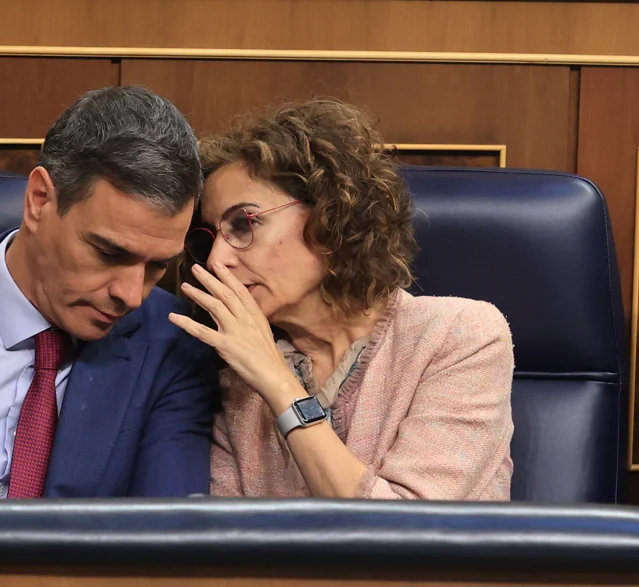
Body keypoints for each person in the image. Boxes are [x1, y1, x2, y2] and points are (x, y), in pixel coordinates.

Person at [0, 85, 218, 498]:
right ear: (40, 200)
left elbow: (167, 544)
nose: (132, 295)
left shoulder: (172, 347)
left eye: (158, 265)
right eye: (108, 252)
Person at [170, 98, 514, 499]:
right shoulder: (240, 378)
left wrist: (279, 385)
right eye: (207, 239)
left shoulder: (460, 336)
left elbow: (408, 539)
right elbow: (228, 543)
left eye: (244, 224)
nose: (217, 260)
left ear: (331, 215)